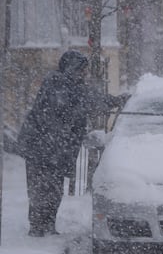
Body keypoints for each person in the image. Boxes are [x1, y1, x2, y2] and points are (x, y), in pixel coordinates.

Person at [16, 50, 126, 237]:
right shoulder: (57, 84)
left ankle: (47, 225)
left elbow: (90, 98)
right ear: (71, 68)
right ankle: (37, 228)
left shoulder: (72, 85)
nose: (85, 73)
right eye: (82, 69)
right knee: (41, 189)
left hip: (53, 149)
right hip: (42, 149)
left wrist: (116, 100)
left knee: (53, 189)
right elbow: (82, 101)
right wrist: (113, 101)